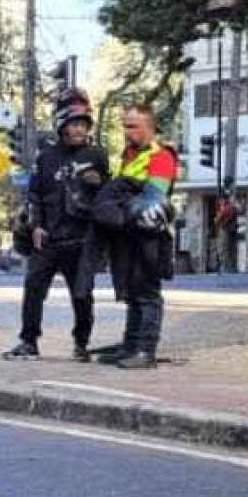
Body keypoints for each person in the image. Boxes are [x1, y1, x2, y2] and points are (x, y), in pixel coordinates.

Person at [5, 101, 108, 363]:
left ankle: (81, 343)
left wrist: (99, 183)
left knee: (82, 294)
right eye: (74, 125)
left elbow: (108, 194)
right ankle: (29, 341)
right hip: (48, 238)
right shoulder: (46, 157)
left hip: (81, 239)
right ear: (61, 126)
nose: (78, 130)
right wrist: (37, 224)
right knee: (33, 289)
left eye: (83, 125)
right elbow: (35, 194)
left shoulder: (96, 155)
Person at [93, 105, 179, 370]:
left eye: (132, 126)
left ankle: (146, 351)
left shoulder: (161, 156)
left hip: (149, 235)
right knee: (132, 291)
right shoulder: (129, 156)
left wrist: (119, 205)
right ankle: (130, 347)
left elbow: (153, 200)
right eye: (125, 125)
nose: (126, 131)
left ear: (149, 128)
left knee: (147, 293)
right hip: (129, 234)